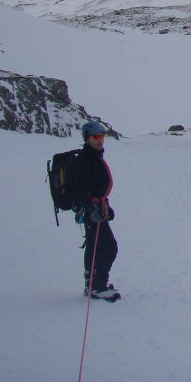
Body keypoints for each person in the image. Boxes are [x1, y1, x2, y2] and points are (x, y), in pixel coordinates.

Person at [76, 121, 119, 301]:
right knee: (108, 247)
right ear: (87, 139)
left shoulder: (94, 157)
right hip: (91, 212)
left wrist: (105, 207)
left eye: (101, 136)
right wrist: (91, 208)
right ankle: (97, 286)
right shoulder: (85, 160)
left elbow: (95, 187)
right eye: (95, 137)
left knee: (97, 247)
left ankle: (93, 284)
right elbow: (80, 190)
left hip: (97, 210)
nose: (100, 140)